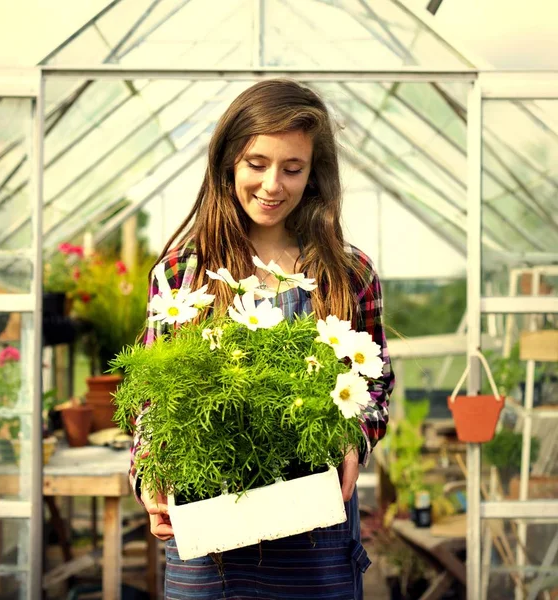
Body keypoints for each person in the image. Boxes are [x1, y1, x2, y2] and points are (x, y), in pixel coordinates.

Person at [130, 78, 394, 600]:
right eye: (257, 163)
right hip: (209, 548)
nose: (273, 184)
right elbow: (150, 397)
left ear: (313, 174)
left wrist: (353, 440)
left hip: (315, 542)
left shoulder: (348, 272)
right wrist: (149, 474)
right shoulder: (184, 272)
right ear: (228, 162)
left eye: (292, 168)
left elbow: (377, 382)